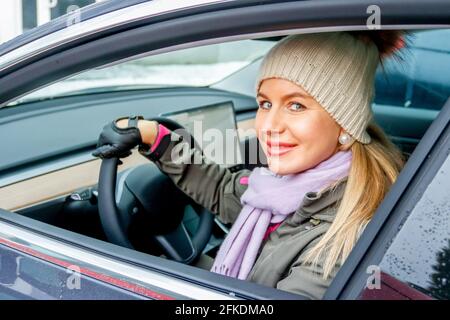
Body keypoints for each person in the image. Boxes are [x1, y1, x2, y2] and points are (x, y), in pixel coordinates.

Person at [92, 31, 407, 299]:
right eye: (265, 103)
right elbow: (224, 189)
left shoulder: (345, 234)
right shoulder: (285, 189)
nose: (269, 125)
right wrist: (152, 135)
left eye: (296, 105)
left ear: (345, 125)